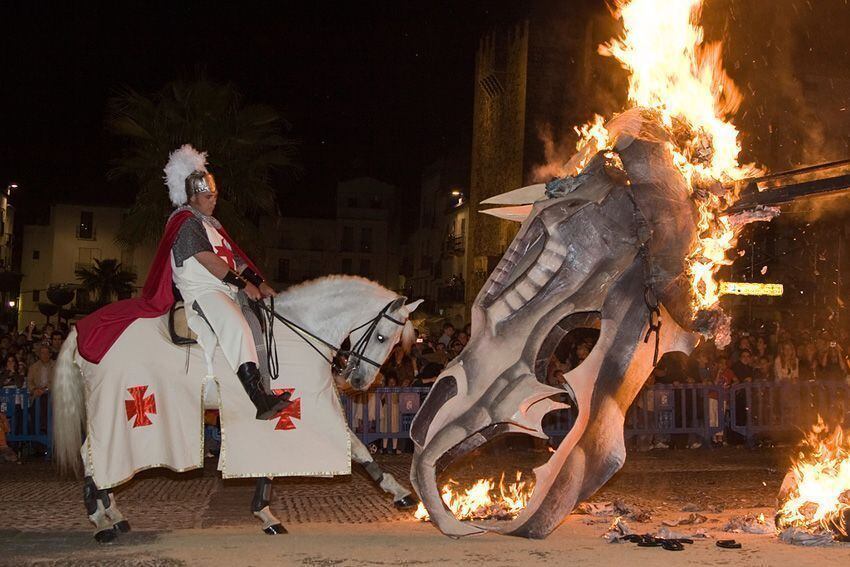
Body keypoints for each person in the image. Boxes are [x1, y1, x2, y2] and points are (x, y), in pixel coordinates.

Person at [164, 145, 289, 420]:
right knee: (236, 325)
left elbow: (236, 260)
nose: (213, 201)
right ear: (194, 197)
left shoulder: (212, 225)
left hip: (224, 288)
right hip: (203, 291)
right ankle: (259, 399)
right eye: (209, 196)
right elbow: (208, 259)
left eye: (215, 196)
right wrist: (245, 286)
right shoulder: (186, 223)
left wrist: (260, 282)